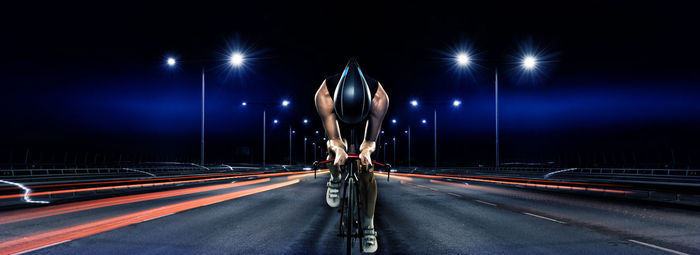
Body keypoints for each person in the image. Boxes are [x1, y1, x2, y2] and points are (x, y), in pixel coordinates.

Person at [314, 58, 389, 253]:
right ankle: (335, 178)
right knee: (334, 150)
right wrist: (338, 149)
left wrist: (366, 151)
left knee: (366, 171)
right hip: (337, 119)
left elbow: (370, 142)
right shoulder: (324, 95)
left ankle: (369, 227)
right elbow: (335, 139)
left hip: (366, 122)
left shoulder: (379, 98)